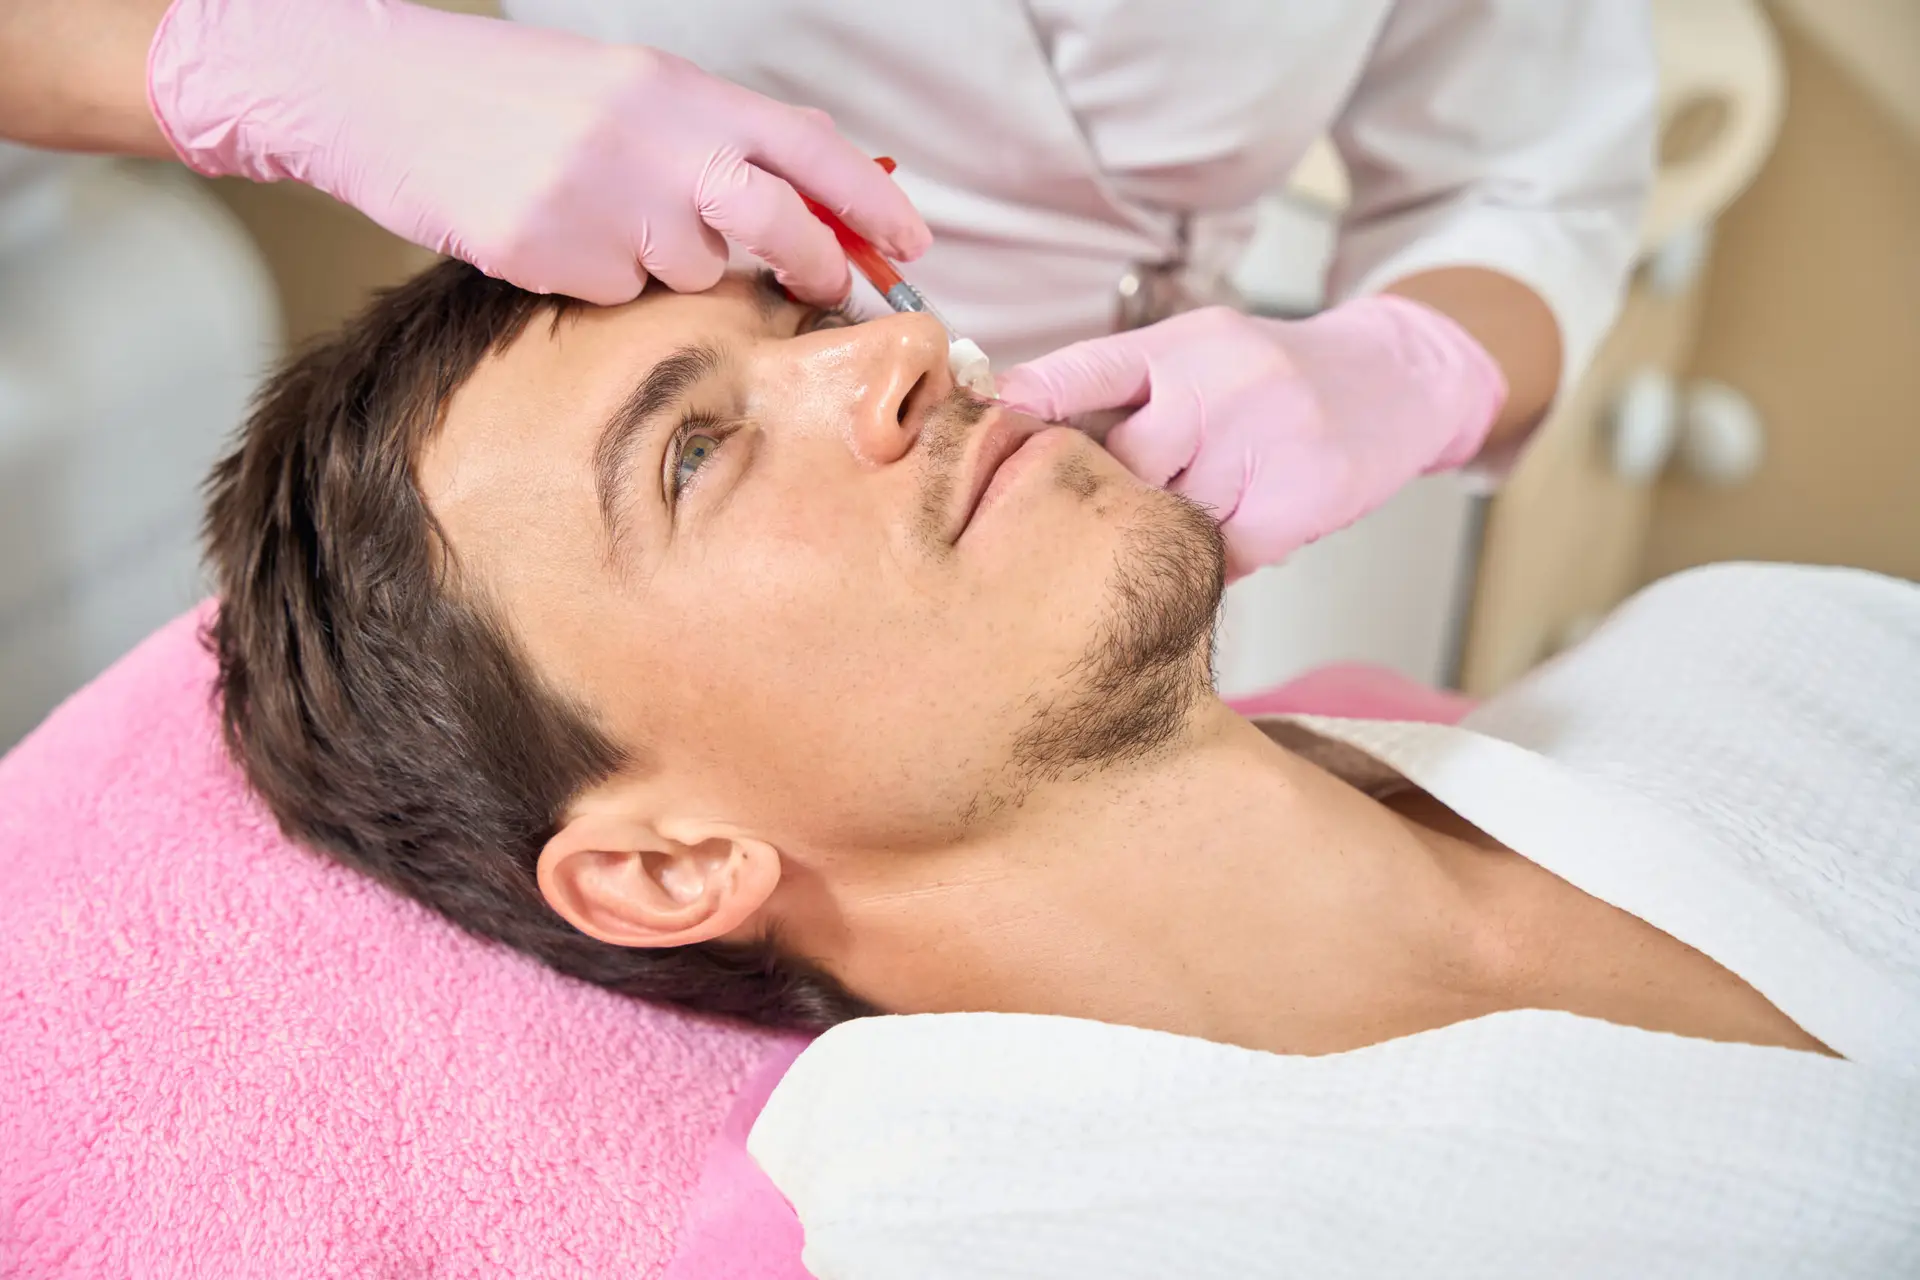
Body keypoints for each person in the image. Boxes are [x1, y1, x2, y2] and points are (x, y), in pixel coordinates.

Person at [204, 261, 1919, 1072]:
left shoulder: (1764, 644)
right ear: (664, 864)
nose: (901, 351)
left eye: (806, 330)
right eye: (692, 455)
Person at [2, 0, 1654, 577]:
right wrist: (219, 58)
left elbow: (1530, 174)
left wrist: (1411, 363)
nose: (903, 368)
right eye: (692, 452)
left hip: (1127, 508)